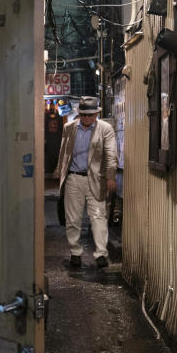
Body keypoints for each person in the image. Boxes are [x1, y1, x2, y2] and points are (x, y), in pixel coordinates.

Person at [55, 96, 117, 268]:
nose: (87, 118)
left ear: (97, 113)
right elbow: (64, 151)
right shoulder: (69, 128)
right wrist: (59, 170)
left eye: (90, 115)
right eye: (83, 115)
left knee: (98, 217)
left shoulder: (105, 129)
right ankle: (75, 252)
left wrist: (110, 176)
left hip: (97, 179)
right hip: (74, 178)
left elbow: (111, 154)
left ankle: (101, 254)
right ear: (79, 113)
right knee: (73, 218)